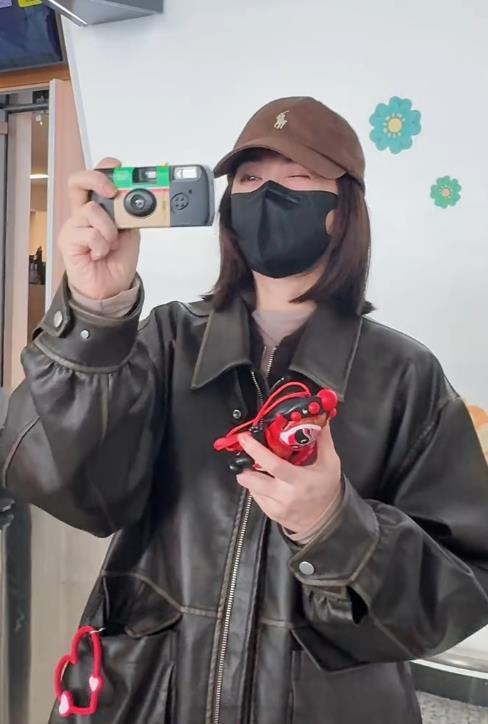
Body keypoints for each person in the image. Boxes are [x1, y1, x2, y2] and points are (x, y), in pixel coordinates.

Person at [1, 96, 488, 724]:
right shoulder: (166, 340)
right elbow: (78, 491)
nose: (267, 194)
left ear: (343, 210)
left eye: (298, 176)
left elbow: (460, 590)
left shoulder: (404, 374)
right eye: (250, 178)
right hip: (148, 696)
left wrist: (334, 526)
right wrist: (95, 312)